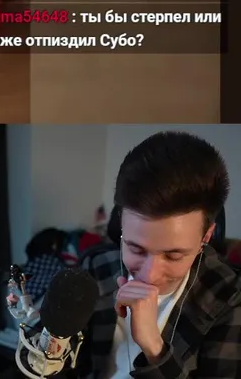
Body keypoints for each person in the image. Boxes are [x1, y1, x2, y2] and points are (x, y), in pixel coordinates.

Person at [66, 131, 240, 377]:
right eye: (136, 249)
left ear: (207, 236)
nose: (150, 275)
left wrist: (155, 349)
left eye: (173, 256)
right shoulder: (96, 267)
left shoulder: (230, 298)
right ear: (121, 224)